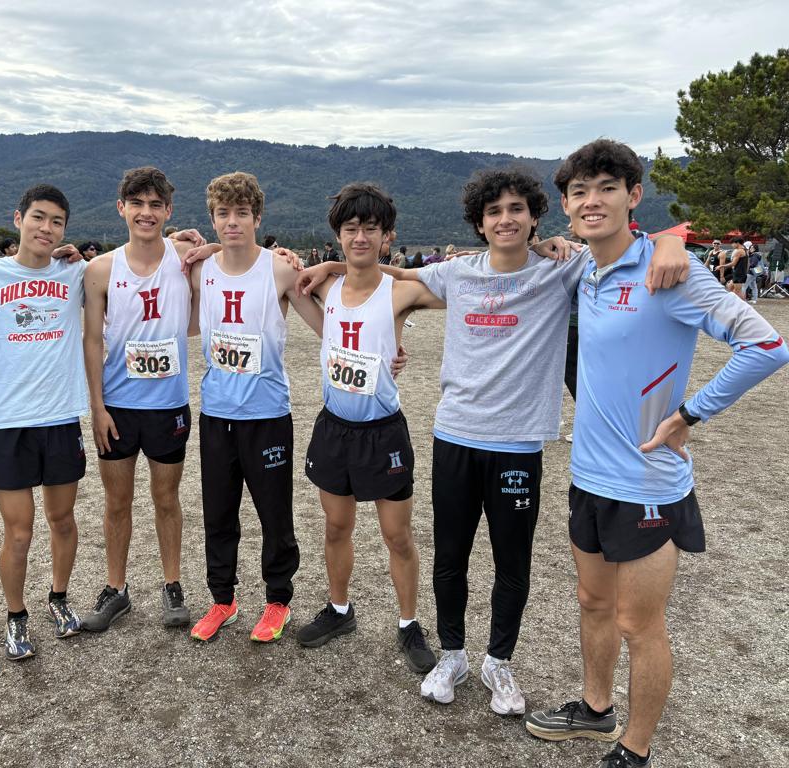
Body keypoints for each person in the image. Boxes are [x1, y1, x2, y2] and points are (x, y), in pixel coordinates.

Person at [295, 169, 690, 715]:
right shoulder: (456, 272)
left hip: (519, 444)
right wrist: (333, 265)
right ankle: (452, 654)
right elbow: (385, 271)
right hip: (455, 435)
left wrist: (669, 241)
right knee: (450, 556)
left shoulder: (561, 269)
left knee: (512, 562)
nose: (505, 220)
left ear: (534, 216)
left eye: (516, 209)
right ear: (479, 223)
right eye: (494, 212)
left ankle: (499, 661)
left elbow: (619, 248)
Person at [524, 139, 789, 768]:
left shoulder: (670, 271)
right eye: (580, 192)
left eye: (607, 188)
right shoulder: (584, 269)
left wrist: (690, 413)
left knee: (638, 626)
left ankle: (636, 749)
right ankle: (595, 710)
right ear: (566, 205)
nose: (592, 201)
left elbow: (767, 346)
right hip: (588, 476)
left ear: (633, 196)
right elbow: (517, 249)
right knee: (592, 604)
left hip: (646, 483)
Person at [292, 183, 444, 674]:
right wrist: (331, 270)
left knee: (397, 536)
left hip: (383, 432)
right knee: (337, 526)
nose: (360, 237)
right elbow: (275, 269)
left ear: (387, 236)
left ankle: (409, 623)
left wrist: (546, 247)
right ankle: (340, 610)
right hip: (335, 427)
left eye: (371, 229)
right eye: (351, 229)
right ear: (338, 234)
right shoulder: (323, 289)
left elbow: (456, 285)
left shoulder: (400, 292)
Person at [184, 172, 327, 643]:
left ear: (257, 218)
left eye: (242, 213)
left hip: (266, 416)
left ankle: (277, 600)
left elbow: (326, 325)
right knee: (218, 513)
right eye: (223, 214)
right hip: (217, 415)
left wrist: (384, 345)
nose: (232, 222)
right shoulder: (200, 270)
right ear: (212, 219)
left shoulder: (279, 270)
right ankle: (222, 600)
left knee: (274, 514)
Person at [0, 185, 87, 660]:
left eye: (57, 221)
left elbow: (140, 259)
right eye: (38, 217)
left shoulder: (74, 272)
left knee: (63, 520)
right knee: (18, 531)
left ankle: (59, 597)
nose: (46, 228)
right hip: (8, 423)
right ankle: (16, 617)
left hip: (60, 416)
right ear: (18, 219)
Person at [81, 167, 203, 632]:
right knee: (117, 501)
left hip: (168, 405)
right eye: (137, 204)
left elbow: (235, 255)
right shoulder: (101, 269)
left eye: (155, 205)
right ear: (122, 208)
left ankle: (172, 584)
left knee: (166, 498)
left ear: (168, 211)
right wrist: (97, 407)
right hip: (118, 406)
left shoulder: (186, 256)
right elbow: (93, 340)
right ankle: (116, 588)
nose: (145, 213)